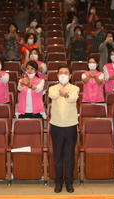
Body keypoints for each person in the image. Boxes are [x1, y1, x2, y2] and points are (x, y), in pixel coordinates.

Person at [48, 65, 79, 193]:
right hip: (56, 126)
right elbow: (53, 96)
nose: (63, 74)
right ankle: (58, 182)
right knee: (57, 157)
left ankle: (69, 182)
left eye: (66, 73)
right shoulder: (52, 88)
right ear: (57, 75)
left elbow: (73, 98)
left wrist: (66, 94)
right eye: (61, 73)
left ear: (70, 76)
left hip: (71, 125)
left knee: (69, 157)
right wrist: (61, 91)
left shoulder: (75, 88)